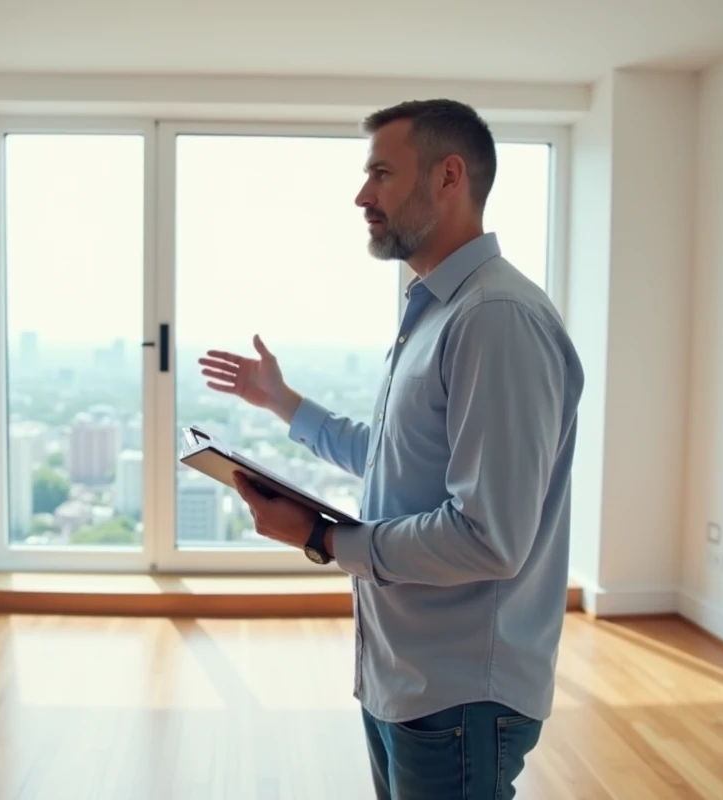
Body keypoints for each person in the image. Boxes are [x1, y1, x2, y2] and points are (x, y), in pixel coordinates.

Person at [197, 99, 584, 799]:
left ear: (448, 177)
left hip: (460, 693)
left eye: (381, 172)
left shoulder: (494, 318)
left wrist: (322, 537)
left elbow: (488, 538)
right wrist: (282, 401)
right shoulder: (437, 312)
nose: (361, 195)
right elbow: (395, 454)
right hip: (408, 678)